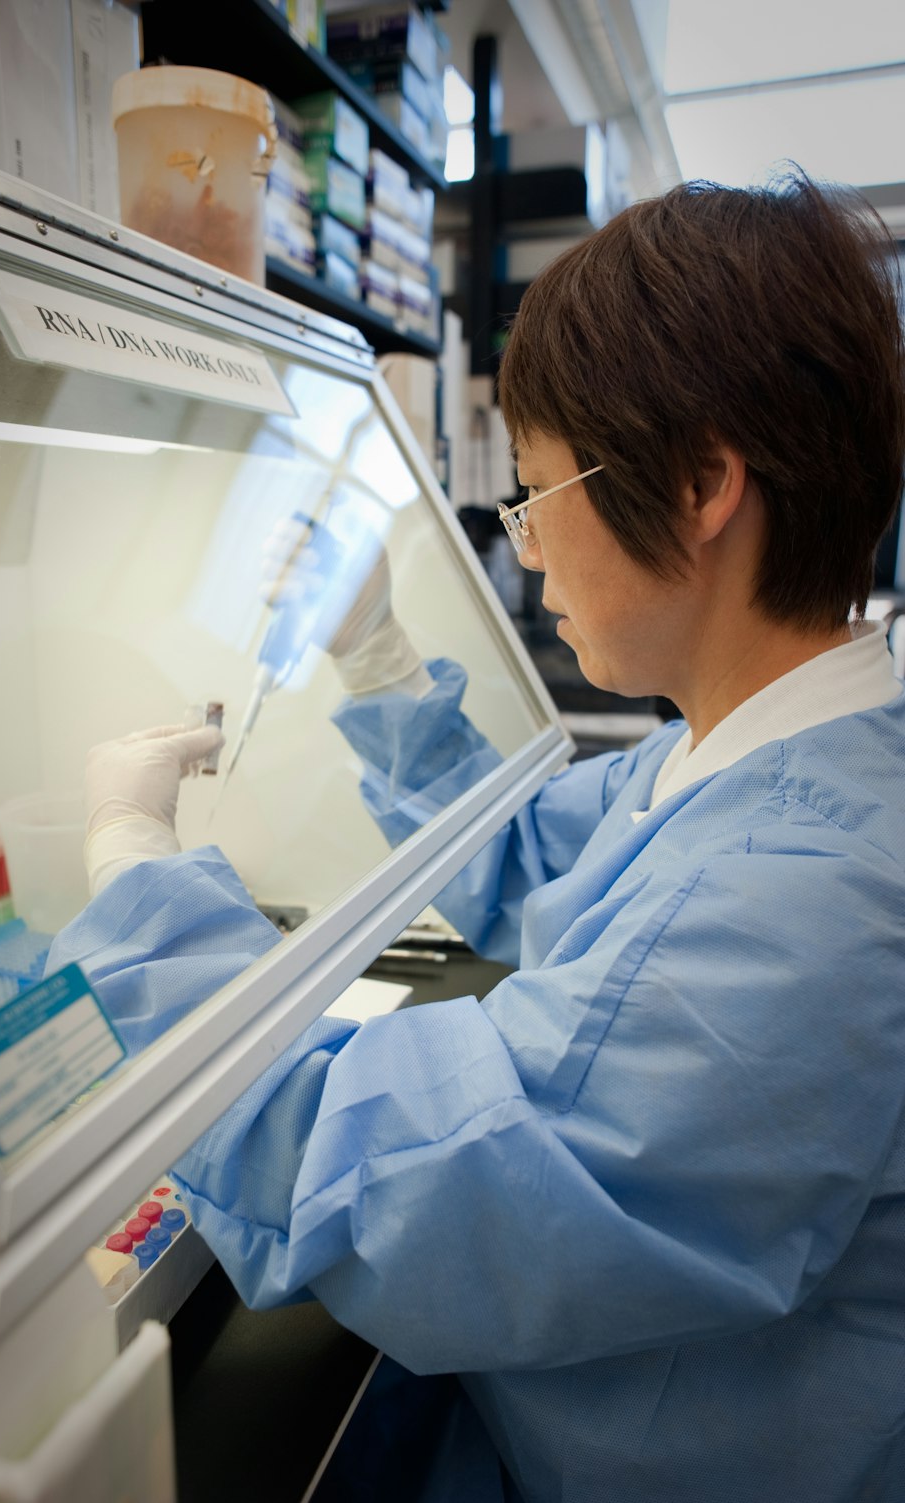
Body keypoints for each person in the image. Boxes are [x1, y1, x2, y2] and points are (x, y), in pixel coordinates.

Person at [49, 170, 905, 1502]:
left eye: (537, 490)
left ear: (701, 485)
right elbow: (535, 864)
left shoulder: (812, 896)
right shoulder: (760, 747)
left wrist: (132, 880)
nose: (527, 551)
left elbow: (395, 1194)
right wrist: (377, 651)